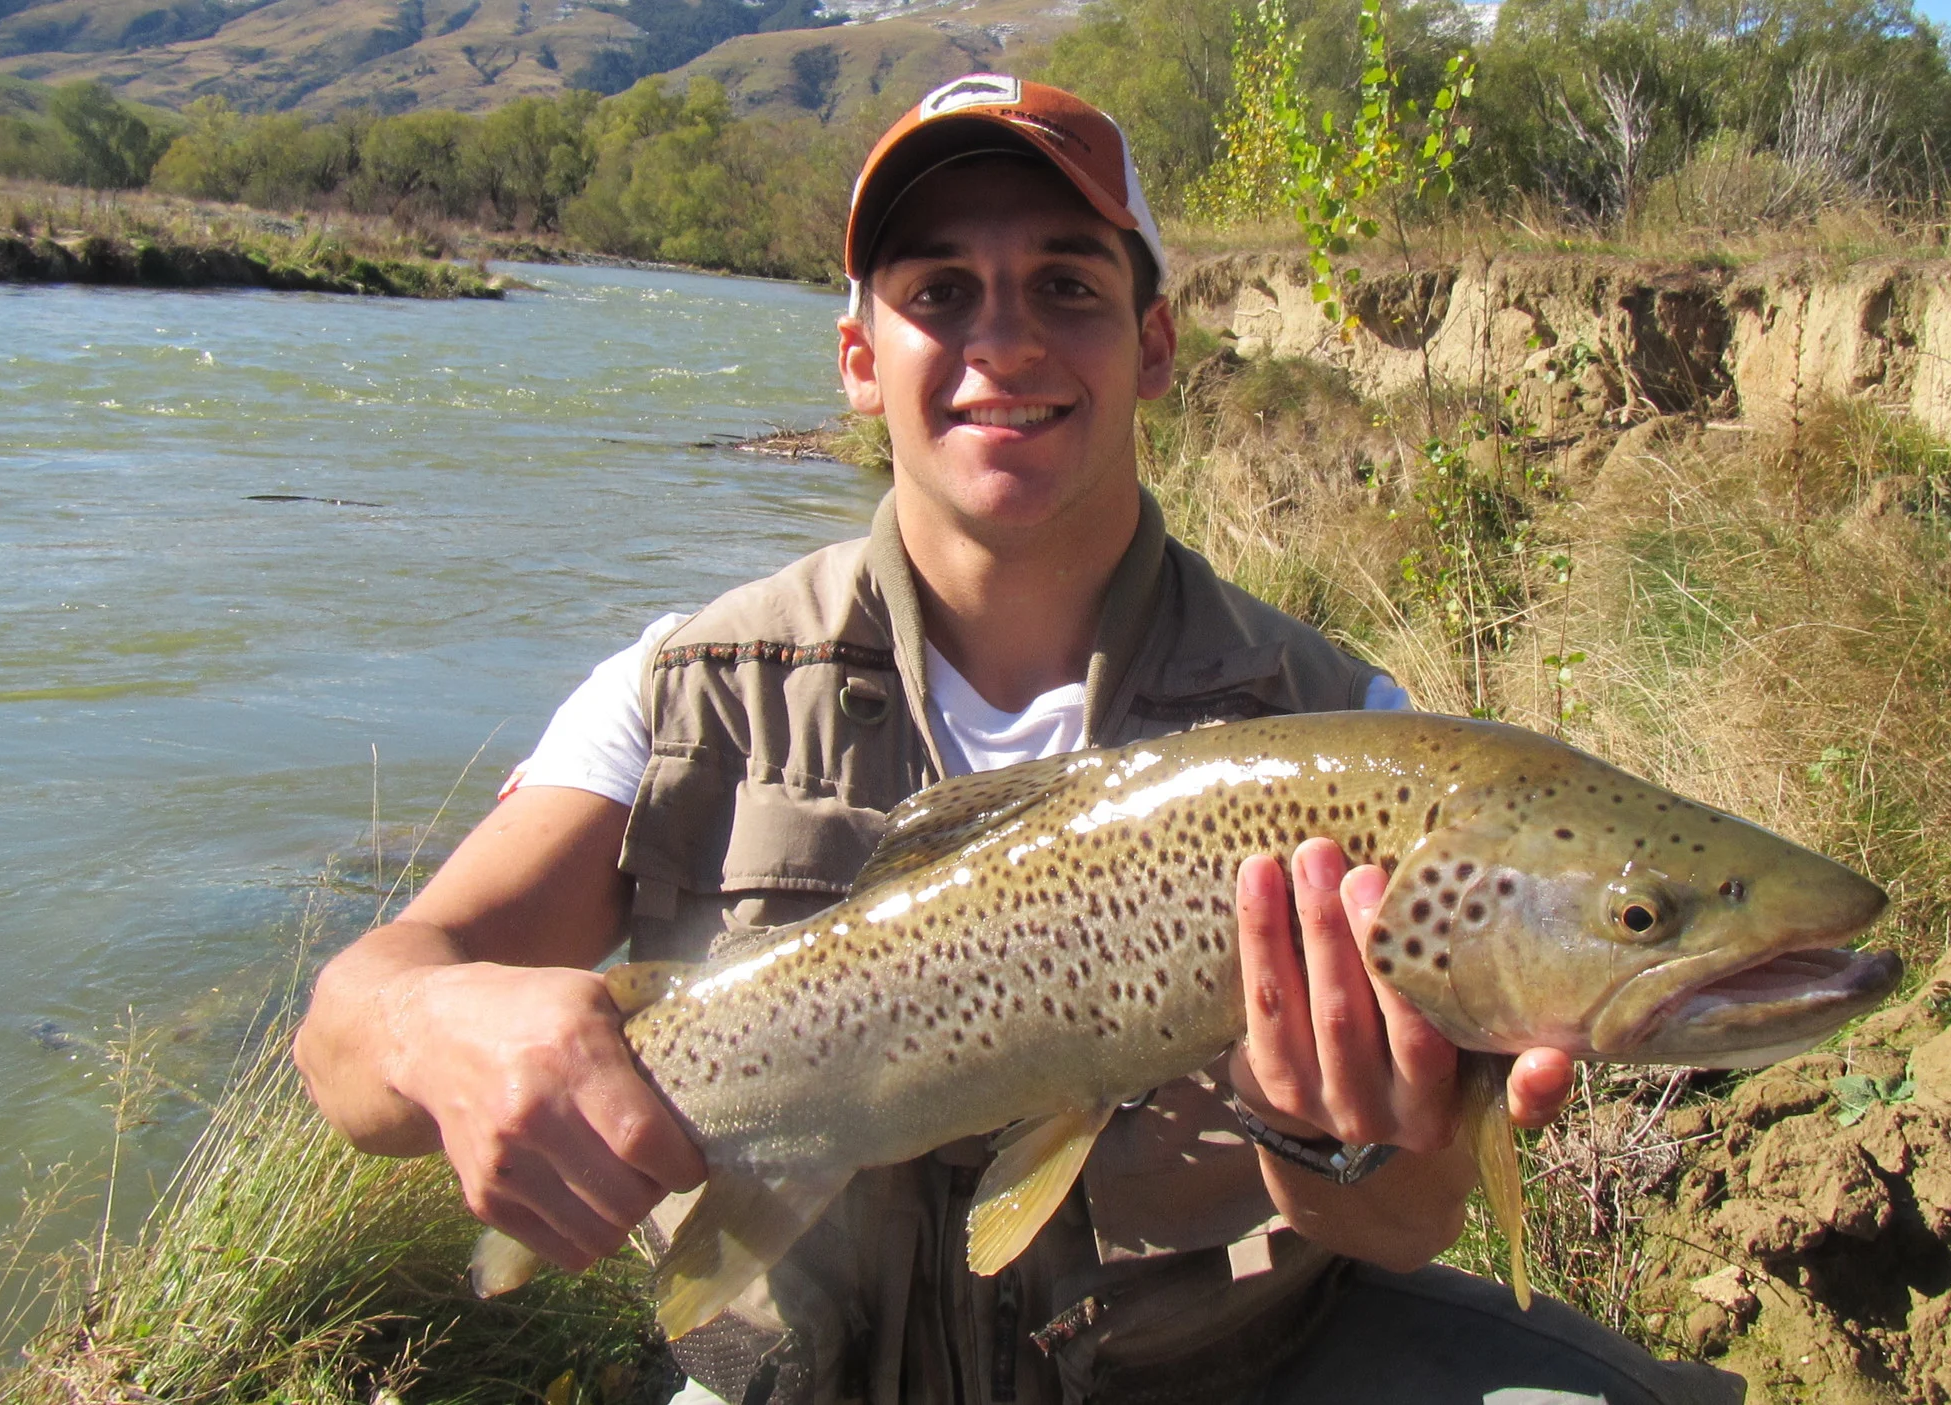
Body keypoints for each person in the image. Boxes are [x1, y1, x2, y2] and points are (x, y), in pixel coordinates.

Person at [294, 75, 1741, 1405]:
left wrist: (1321, 1135)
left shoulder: (1350, 739)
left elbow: (1411, 1225)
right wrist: (440, 1030)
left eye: (1066, 284)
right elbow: (349, 1037)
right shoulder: (684, 691)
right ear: (863, 358)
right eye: (942, 293)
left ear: (1154, 340)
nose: (1006, 341)